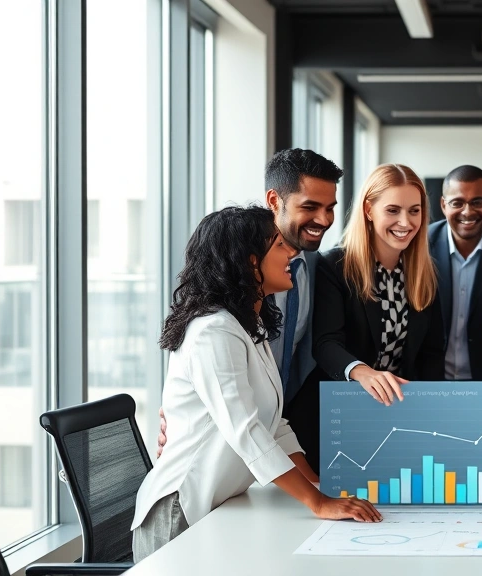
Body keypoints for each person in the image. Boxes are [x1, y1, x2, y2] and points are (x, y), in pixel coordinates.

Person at [132, 206, 379, 562]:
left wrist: (314, 484)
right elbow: (246, 430)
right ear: (250, 262)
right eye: (280, 245)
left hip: (218, 504)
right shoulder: (213, 331)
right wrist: (317, 503)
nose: (292, 252)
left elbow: (273, 423)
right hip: (179, 512)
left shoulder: (249, 326)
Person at [158, 149, 342, 473]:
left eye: (330, 208)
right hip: (219, 450)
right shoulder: (223, 256)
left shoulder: (318, 267)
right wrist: (178, 407)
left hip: (277, 437)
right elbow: (196, 343)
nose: (324, 220)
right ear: (274, 200)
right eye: (310, 207)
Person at [313, 164, 445, 403]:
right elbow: (326, 343)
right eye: (393, 210)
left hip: (401, 404)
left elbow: (431, 354)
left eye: (414, 211)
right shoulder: (335, 266)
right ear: (369, 210)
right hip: (345, 401)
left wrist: (429, 407)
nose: (405, 222)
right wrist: (362, 372)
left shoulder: (423, 272)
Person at [428, 165, 482, 381]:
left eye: (477, 202)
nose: (467, 211)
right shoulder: (418, 246)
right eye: (457, 203)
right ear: (444, 205)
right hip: (425, 381)